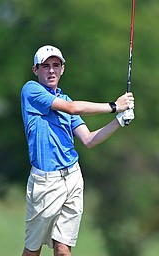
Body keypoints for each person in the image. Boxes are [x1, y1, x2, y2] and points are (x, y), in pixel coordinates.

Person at [20, 45, 135, 256]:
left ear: (63, 69)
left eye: (56, 65)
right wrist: (114, 106)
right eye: (45, 66)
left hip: (73, 177)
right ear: (36, 70)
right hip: (45, 182)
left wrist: (118, 121)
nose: (51, 70)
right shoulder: (31, 90)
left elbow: (89, 139)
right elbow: (73, 109)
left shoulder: (66, 99)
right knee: (32, 251)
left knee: (63, 250)